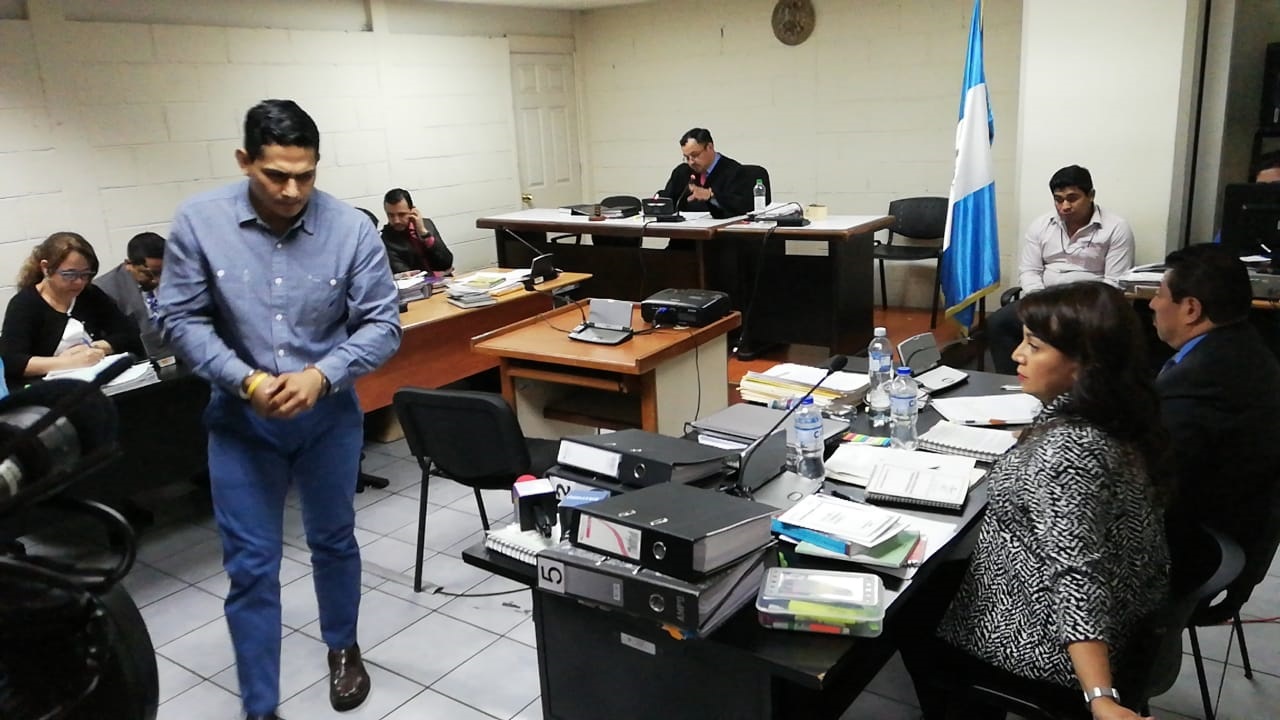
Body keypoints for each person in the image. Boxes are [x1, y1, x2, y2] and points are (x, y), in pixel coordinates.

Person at [159, 99, 401, 720]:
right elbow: (180, 322)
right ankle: (260, 706)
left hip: (328, 421)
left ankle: (342, 647)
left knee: (333, 539)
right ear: (245, 162)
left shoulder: (350, 228)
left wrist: (324, 375)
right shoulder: (198, 222)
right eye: (275, 175)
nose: (293, 190)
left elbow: (382, 325)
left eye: (307, 175)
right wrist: (245, 382)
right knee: (251, 567)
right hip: (241, 427)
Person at [897, 282, 1169, 720]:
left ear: (1084, 366)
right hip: (1120, 614)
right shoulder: (1115, 411)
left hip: (1042, 637)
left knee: (904, 609)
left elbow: (1078, 576)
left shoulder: (1067, 452)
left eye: (1034, 346)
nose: (1017, 355)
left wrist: (1100, 698)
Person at [1150, 243, 1280, 609]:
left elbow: (1151, 478)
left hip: (1197, 548)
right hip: (1230, 530)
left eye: (1159, 294)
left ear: (1190, 308)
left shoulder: (1204, 381)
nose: (1152, 304)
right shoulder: (1240, 346)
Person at [986, 166, 1135, 374]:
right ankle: (1013, 385)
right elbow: (1029, 270)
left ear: (1091, 195)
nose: (1065, 206)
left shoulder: (1116, 228)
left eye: (1072, 198)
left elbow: (1114, 282)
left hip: (1087, 307)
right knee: (998, 322)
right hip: (1044, 299)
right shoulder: (1041, 226)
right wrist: (1041, 303)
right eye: (1058, 199)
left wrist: (1075, 309)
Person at [1, 231, 141, 388]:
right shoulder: (25, 304)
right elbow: (14, 362)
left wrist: (94, 349)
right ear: (46, 268)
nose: (79, 282)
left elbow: (128, 335)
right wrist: (67, 362)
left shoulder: (90, 294)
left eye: (85, 274)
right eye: (69, 274)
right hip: (48, 392)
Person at [93, 231, 167, 353]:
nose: (156, 280)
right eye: (148, 274)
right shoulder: (104, 290)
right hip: (138, 357)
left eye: (161, 272)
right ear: (128, 264)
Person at [658, 128, 755, 219]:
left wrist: (711, 196)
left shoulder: (734, 171)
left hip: (719, 234)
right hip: (685, 233)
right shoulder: (681, 172)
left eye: (695, 155)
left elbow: (740, 206)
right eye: (687, 157)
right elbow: (668, 201)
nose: (691, 162)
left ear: (710, 147)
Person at [380, 187, 453, 276]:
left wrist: (424, 233)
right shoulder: (386, 239)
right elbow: (407, 276)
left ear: (412, 210)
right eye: (391, 215)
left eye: (401, 214)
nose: (396, 221)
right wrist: (437, 275)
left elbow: (447, 262)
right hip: (418, 288)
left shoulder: (427, 224)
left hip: (445, 282)